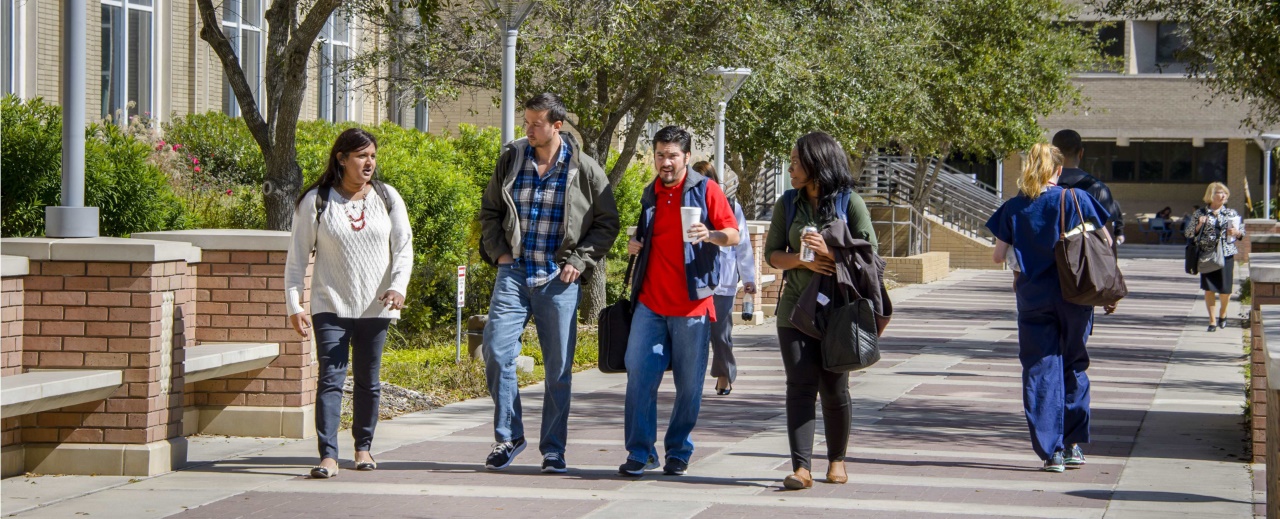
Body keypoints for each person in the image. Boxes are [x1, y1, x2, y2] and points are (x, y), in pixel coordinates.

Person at [478, 93, 620, 473]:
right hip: (515, 272)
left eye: (535, 123)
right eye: (526, 122)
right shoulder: (512, 159)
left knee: (558, 369)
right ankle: (509, 436)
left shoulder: (585, 170)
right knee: (495, 350)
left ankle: (553, 448)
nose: (528, 129)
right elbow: (490, 211)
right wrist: (500, 253)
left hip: (558, 278)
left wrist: (579, 260)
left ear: (557, 126)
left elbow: (608, 224)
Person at [284, 128, 414, 479]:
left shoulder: (388, 197)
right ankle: (328, 455)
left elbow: (404, 248)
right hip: (331, 303)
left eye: (372, 155)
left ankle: (363, 448)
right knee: (331, 378)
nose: (368, 162)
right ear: (342, 159)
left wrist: (398, 287)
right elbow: (296, 258)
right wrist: (294, 304)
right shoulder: (317, 200)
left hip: (377, 305)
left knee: (368, 381)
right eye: (361, 156)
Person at [620, 126, 741, 477]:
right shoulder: (651, 193)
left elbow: (732, 234)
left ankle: (678, 449)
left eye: (672, 155)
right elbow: (647, 236)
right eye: (660, 155)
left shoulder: (707, 190)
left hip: (692, 305)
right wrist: (635, 246)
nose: (665, 162)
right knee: (639, 376)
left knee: (689, 384)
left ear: (686, 157)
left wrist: (710, 233)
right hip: (650, 303)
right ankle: (641, 451)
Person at [985, 142, 1111, 473]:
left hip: (1033, 299)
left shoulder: (1014, 207)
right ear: (1059, 169)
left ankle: (1049, 452)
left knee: (1040, 370)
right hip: (1077, 297)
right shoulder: (1076, 198)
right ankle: (1071, 446)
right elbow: (1105, 244)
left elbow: (999, 255)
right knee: (1073, 365)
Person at [764, 132, 877, 490]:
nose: (791, 167)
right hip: (794, 312)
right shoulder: (788, 203)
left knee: (834, 388)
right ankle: (801, 468)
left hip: (838, 313)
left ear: (816, 164)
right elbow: (772, 255)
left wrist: (830, 253)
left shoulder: (850, 202)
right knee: (799, 387)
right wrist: (801, 260)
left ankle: (837, 460)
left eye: (796, 162)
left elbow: (871, 256)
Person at [692, 160, 757, 396]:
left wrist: (748, 278)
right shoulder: (687, 205)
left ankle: (724, 375)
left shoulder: (730, 205)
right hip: (696, 278)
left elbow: (743, 243)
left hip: (723, 281)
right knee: (694, 334)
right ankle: (693, 381)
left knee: (720, 333)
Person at [1052, 129, 1123, 314]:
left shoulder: (1036, 187)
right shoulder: (1098, 189)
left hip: (1040, 279)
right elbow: (1107, 239)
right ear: (1081, 152)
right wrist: (1110, 284)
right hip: (1081, 276)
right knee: (1075, 340)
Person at [1185, 182, 1244, 331]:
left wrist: (1236, 233)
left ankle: (1223, 314)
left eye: (1225, 193)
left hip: (1226, 254)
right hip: (1207, 255)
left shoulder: (1231, 213)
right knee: (1209, 288)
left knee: (1225, 289)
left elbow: (1242, 233)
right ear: (1211, 195)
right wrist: (1199, 225)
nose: (1223, 196)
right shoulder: (1200, 213)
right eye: (1220, 192)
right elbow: (1189, 233)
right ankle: (1212, 321)